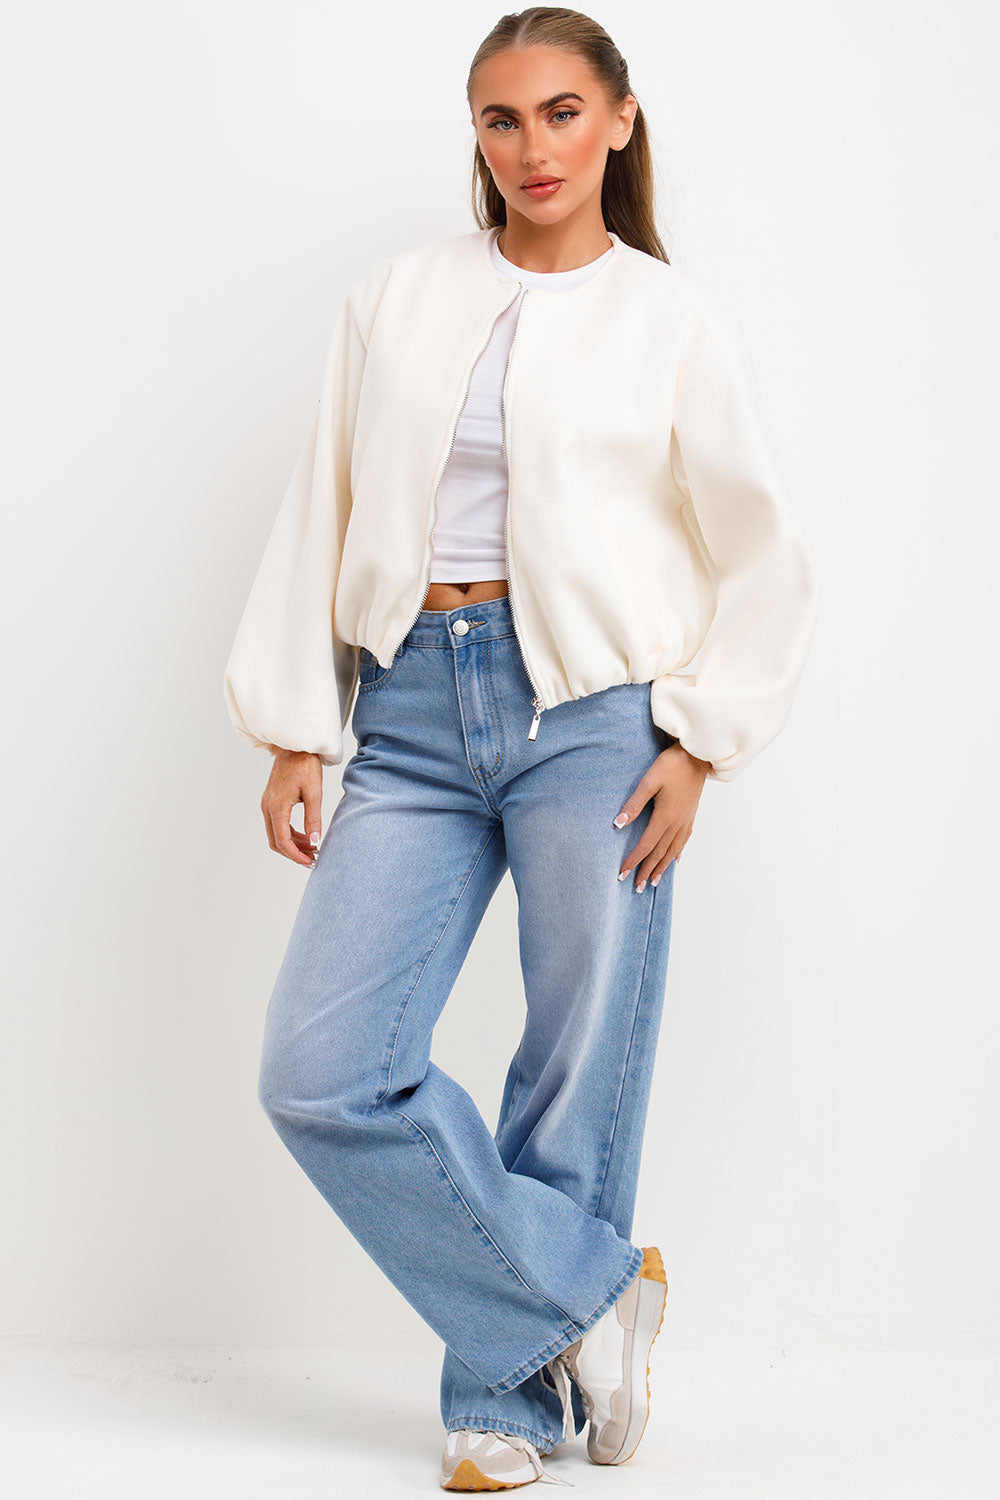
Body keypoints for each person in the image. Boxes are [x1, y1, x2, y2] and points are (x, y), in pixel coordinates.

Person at [223, 8, 820, 1491]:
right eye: (501, 119)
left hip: (598, 719)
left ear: (619, 119)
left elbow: (763, 550)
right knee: (321, 1070)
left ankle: (508, 1399)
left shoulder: (669, 322)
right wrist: (298, 722)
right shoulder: (400, 296)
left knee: (573, 1061)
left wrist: (700, 741)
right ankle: (596, 1297)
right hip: (411, 709)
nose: (532, 147)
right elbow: (323, 497)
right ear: (475, 134)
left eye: (561, 112)